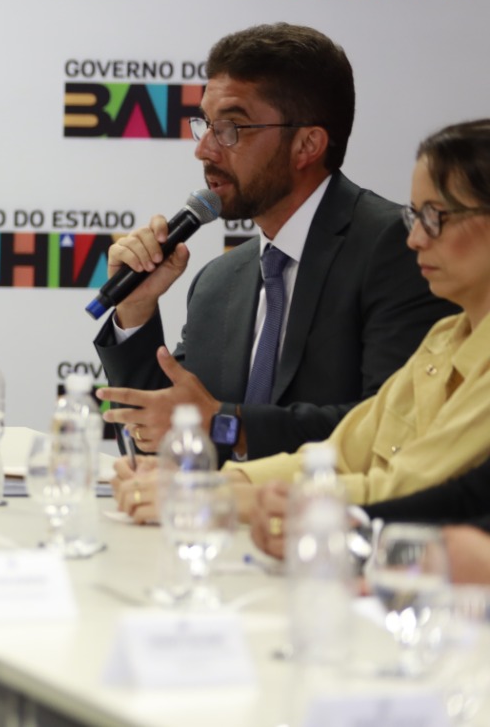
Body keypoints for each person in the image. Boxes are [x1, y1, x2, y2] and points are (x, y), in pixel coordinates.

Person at [94, 23, 453, 464]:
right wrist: (136, 310)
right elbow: (162, 436)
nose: (204, 149)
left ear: (307, 145)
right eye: (205, 124)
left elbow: (394, 429)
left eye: (231, 128)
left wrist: (226, 426)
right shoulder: (218, 282)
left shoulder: (399, 247)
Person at [116, 121, 490, 534]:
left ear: (307, 143)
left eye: (435, 216)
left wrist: (223, 497)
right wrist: (212, 485)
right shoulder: (445, 339)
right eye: (415, 215)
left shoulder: (382, 249)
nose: (415, 238)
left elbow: (417, 489)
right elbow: (343, 453)